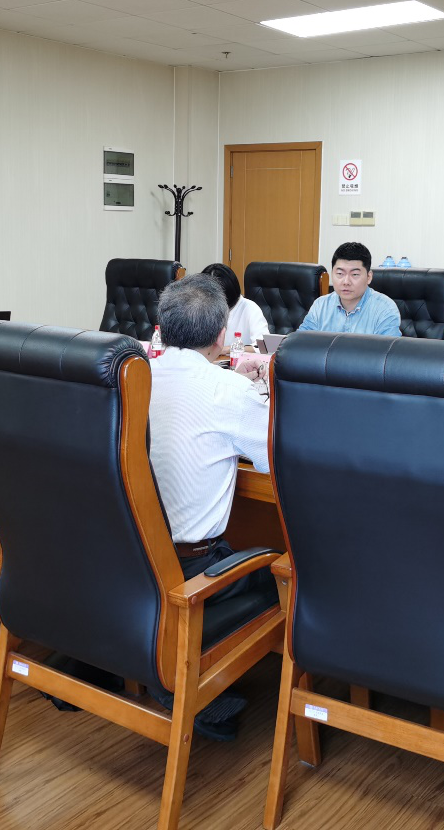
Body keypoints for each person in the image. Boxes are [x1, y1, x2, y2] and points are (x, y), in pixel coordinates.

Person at [147, 274, 272, 740]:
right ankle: (196, 685)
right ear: (222, 336)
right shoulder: (227, 392)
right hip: (189, 572)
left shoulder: (133, 376)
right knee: (278, 573)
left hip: (126, 557)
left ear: (161, 329)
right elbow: (273, 458)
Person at [296, 241, 401, 336]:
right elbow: (300, 342)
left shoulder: (385, 309)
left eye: (354, 274)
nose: (346, 282)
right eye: (340, 273)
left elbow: (388, 350)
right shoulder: (320, 305)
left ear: (369, 277)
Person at [202, 262, 269, 353]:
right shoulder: (202, 308)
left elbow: (264, 347)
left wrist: (228, 349)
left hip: (237, 361)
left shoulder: (250, 308)